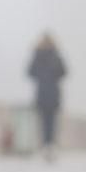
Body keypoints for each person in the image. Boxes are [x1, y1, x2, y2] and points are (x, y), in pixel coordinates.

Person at [26, 32, 68, 161]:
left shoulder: (40, 55)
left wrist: (42, 75)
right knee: (49, 121)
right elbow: (64, 72)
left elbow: (30, 72)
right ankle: (48, 145)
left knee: (47, 120)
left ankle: (47, 145)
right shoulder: (54, 55)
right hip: (50, 93)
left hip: (44, 93)